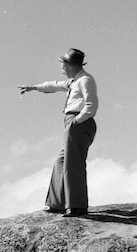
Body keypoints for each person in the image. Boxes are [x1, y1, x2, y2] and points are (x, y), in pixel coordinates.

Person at [18, 48, 98, 216]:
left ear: (70, 65)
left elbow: (91, 106)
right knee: (61, 163)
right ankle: (56, 203)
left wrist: (76, 121)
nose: (62, 68)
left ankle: (76, 206)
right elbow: (54, 85)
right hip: (73, 124)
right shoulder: (73, 81)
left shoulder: (85, 80)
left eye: (63, 64)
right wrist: (34, 87)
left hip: (79, 123)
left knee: (73, 164)